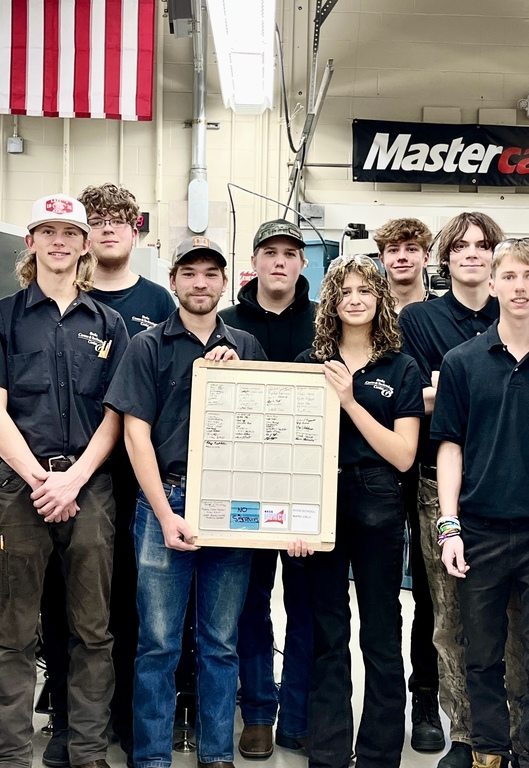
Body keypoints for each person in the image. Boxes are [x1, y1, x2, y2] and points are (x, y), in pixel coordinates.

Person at [0, 194, 129, 768]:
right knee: (14, 633)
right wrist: (40, 480)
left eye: (69, 232)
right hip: (20, 491)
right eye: (46, 231)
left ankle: (86, 753)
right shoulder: (1, 318)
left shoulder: (110, 323)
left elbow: (117, 414)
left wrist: (74, 480)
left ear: (84, 246)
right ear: (30, 242)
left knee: (93, 631)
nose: (59, 241)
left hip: (90, 490)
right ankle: (10, 758)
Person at [104, 236, 266, 768]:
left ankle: (217, 754)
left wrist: (236, 377)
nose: (200, 283)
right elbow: (135, 436)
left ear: (226, 282)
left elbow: (266, 432)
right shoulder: (146, 347)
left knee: (220, 643)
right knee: (157, 644)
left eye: (211, 273)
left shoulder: (246, 346)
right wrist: (165, 510)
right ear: (173, 281)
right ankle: (151, 757)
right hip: (163, 503)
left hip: (229, 505)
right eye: (189, 273)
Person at [433, 238, 529, 768]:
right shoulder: (462, 363)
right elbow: (450, 447)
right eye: (511, 276)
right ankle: (488, 752)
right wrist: (449, 527)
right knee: (481, 656)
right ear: (494, 284)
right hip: (478, 530)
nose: (520, 286)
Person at [39, 183, 175, 767]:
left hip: (133, 478)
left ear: (136, 231)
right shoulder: (68, 295)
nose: (110, 229)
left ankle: (117, 716)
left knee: (126, 606)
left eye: (122, 220)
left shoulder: (159, 301)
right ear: (82, 232)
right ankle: (68, 721)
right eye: (98, 220)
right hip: (68, 481)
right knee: (60, 604)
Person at [398, 212, 526, 768]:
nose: (472, 254)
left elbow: (448, 393)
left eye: (483, 246)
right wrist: (485, 389)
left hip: (513, 485)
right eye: (461, 246)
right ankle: (471, 739)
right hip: (438, 485)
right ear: (444, 258)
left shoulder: (519, 311)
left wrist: (449, 387)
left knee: (516, 625)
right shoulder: (420, 319)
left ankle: (518, 737)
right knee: (449, 621)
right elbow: (416, 395)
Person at [294, 254, 424, 768]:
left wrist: (349, 401)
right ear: (332, 299)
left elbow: (403, 454)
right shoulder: (309, 363)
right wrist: (298, 517)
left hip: (379, 500)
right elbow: (294, 454)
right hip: (321, 500)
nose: (355, 299)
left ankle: (377, 754)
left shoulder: (401, 367)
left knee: (381, 633)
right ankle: (327, 750)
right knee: (329, 632)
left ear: (380, 300)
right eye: (345, 290)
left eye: (365, 291)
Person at [219, 218, 316, 758]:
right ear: (252, 262)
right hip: (242, 485)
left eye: (289, 253)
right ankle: (257, 712)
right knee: (249, 604)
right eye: (269, 252)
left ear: (303, 263)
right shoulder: (225, 324)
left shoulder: (325, 324)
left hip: (309, 488)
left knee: (305, 604)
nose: (279, 261)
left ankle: (297, 716)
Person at [375, 217, 443, 753]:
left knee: (429, 592)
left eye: (411, 249)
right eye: (392, 249)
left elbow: (453, 392)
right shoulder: (361, 310)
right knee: (378, 595)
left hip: (428, 469)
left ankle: (427, 698)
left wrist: (393, 401)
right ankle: (384, 704)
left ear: (425, 256)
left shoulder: (439, 318)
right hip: (372, 470)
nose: (401, 257)